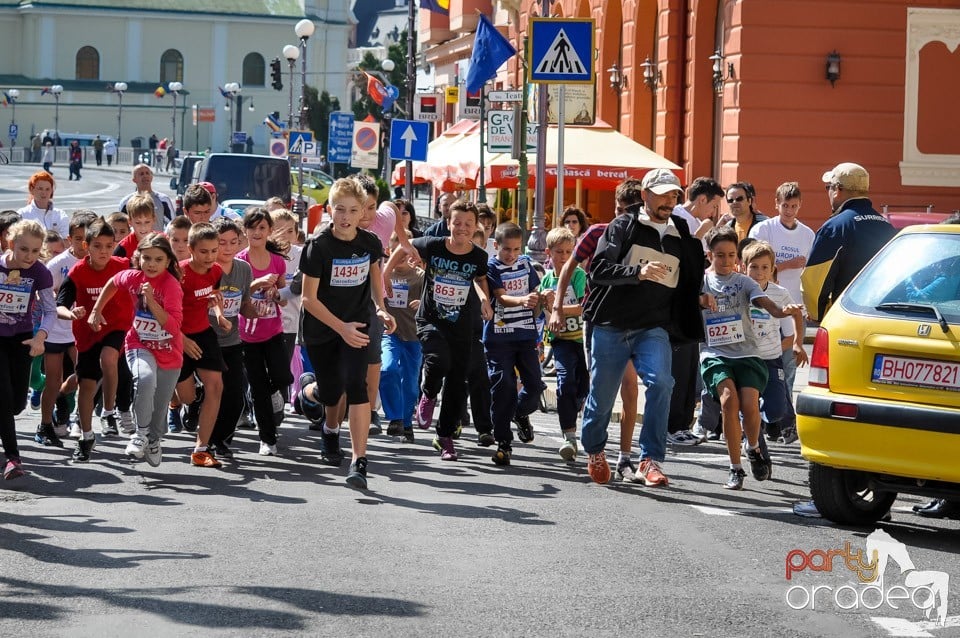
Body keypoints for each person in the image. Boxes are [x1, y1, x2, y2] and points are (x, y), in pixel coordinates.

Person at [579, 171, 704, 486]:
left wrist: (699, 295)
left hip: (654, 326)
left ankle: (650, 460)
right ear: (645, 194)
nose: (669, 201)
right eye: (662, 195)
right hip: (611, 325)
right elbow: (598, 269)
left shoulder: (682, 232)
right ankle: (594, 449)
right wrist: (638, 272)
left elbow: (687, 276)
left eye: (674, 195)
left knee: (662, 382)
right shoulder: (623, 226)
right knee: (602, 397)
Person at [296, 178, 396, 489]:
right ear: (329, 210)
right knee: (331, 392)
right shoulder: (318, 248)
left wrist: (381, 308)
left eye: (353, 210)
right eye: (340, 210)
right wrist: (341, 328)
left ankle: (358, 461)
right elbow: (307, 299)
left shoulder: (369, 243)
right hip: (323, 329)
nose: (346, 217)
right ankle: (319, 411)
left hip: (358, 324)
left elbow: (374, 277)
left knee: (357, 387)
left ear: (363, 212)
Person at [381, 200, 493, 461]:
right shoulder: (433, 245)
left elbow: (477, 279)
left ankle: (445, 438)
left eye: (468, 224)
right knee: (438, 360)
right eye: (457, 223)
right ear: (448, 223)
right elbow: (403, 249)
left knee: (457, 380)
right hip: (431, 318)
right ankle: (429, 393)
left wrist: (485, 299)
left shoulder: (479, 256)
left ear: (475, 226)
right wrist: (385, 275)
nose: (462, 228)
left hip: (462, 325)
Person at [547, 189, 642, 481]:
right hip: (602, 320)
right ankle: (595, 450)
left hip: (639, 320)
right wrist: (557, 308)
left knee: (632, 387)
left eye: (633, 209)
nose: (626, 215)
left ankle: (626, 457)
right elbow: (568, 268)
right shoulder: (599, 233)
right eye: (622, 208)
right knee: (601, 391)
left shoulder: (653, 234)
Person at [699, 226, 802, 490]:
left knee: (750, 406)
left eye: (731, 255)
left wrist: (781, 311)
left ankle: (754, 447)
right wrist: (700, 299)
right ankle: (736, 469)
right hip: (716, 353)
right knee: (728, 402)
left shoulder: (745, 282)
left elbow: (765, 303)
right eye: (720, 255)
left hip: (748, 354)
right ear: (710, 254)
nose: (726, 260)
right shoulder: (701, 282)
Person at [89, 233, 183, 468]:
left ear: (168, 262)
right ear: (138, 258)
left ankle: (153, 438)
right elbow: (113, 282)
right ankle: (139, 434)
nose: (151, 264)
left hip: (169, 351)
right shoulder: (132, 277)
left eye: (158, 259)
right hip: (139, 343)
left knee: (160, 408)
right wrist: (96, 310)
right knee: (145, 379)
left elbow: (172, 326)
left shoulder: (171, 286)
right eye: (146, 258)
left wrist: (151, 301)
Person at [56, 219, 134, 462]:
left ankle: (109, 412)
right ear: (86, 245)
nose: (103, 251)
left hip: (117, 325)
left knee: (109, 357)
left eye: (109, 246)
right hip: (88, 332)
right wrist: (72, 313)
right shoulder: (77, 272)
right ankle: (86, 436)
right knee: (86, 386)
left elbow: (148, 278)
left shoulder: (123, 265)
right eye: (98, 246)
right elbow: (60, 306)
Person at [748, 181, 815, 444]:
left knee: (787, 368)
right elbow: (752, 262)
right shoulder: (764, 229)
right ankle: (761, 419)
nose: (789, 210)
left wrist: (808, 304)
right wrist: (787, 264)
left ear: (800, 206)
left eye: (794, 206)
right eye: (785, 205)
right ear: (776, 204)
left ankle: (778, 423)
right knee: (759, 365)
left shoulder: (808, 234)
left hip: (792, 308)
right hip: (762, 304)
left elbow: (810, 273)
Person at [667, 177, 726, 446]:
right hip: (675, 308)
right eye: (713, 205)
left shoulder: (693, 223)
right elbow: (677, 259)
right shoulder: (677, 218)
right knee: (678, 369)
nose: (713, 213)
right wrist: (701, 233)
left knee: (690, 370)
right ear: (702, 200)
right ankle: (673, 425)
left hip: (692, 303)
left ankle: (682, 424)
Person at [801, 162, 896, 322]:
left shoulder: (835, 227)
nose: (829, 192)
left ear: (837, 190)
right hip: (883, 318)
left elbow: (814, 282)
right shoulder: (887, 226)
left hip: (848, 317)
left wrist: (818, 314)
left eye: (829, 187)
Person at [36, 212, 98, 448]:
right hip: (57, 330)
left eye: (87, 239)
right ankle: (45, 425)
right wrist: (60, 300)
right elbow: (45, 293)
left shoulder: (97, 263)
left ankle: (79, 421)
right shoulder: (58, 264)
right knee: (53, 380)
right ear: (69, 238)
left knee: (86, 376)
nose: (83, 245)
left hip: (82, 332)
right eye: (78, 238)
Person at [0, 220, 57, 479]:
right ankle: (13, 458)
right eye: (24, 250)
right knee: (3, 396)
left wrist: (40, 337)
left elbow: (49, 309)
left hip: (23, 340)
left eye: (35, 251)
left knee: (16, 405)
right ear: (11, 244)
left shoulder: (40, 273)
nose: (29, 256)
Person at [237, 208, 292, 456]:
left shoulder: (278, 261)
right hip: (247, 335)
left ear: (269, 230)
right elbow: (234, 295)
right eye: (252, 227)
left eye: (262, 228)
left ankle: (274, 392)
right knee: (258, 387)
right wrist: (256, 285)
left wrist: (275, 294)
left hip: (273, 331)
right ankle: (267, 440)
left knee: (283, 377)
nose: (257, 232)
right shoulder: (239, 261)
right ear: (245, 230)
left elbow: (282, 297)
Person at [742, 239, 806, 450]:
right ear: (744, 267)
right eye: (753, 267)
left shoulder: (780, 293)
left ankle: (760, 418)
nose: (759, 272)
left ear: (772, 270)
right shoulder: (738, 289)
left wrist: (797, 343)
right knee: (748, 406)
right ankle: (751, 438)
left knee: (777, 410)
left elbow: (795, 318)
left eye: (764, 267)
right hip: (745, 359)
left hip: (771, 359)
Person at [175, 223, 230, 467]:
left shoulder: (216, 270)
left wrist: (219, 313)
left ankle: (201, 449)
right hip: (176, 336)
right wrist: (181, 339)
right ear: (190, 249)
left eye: (213, 251)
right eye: (203, 252)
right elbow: (165, 314)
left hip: (204, 334)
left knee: (216, 387)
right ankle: (182, 402)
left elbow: (213, 295)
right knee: (188, 398)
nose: (209, 257)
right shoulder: (180, 274)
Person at [207, 218, 258, 459]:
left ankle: (221, 439)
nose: (227, 248)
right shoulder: (205, 268)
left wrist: (255, 310)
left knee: (236, 396)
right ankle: (206, 437)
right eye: (221, 243)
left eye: (233, 242)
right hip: (205, 339)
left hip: (232, 340)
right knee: (212, 392)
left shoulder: (243, 269)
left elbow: (244, 305)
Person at [539, 227, 588, 461]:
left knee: (583, 388)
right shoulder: (547, 279)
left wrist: (556, 308)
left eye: (569, 251)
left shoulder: (578, 275)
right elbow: (541, 312)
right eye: (559, 251)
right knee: (564, 383)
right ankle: (569, 436)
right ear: (549, 252)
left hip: (583, 340)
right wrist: (542, 305)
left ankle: (578, 405)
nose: (564, 256)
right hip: (561, 342)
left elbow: (581, 307)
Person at [379, 230, 424, 440]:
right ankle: (395, 417)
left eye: (405, 251)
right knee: (387, 369)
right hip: (390, 333)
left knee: (411, 383)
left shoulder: (420, 276)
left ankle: (406, 422)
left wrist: (422, 304)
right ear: (389, 250)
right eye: (396, 249)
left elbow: (433, 299)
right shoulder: (382, 274)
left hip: (414, 337)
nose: (401, 255)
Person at [118, 164, 175, 232]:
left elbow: (173, 225)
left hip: (157, 241)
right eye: (141, 174)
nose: (145, 176)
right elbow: (120, 227)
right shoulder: (126, 202)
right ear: (134, 179)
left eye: (147, 173)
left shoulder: (163, 199)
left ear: (151, 177)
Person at [18, 171, 70, 235]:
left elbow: (66, 240)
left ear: (51, 191)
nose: (44, 193)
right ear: (32, 189)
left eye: (47, 189)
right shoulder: (22, 214)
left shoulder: (60, 215)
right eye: (40, 189)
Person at [114, 193, 158, 262]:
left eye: (147, 222)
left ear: (154, 219)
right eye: (138, 222)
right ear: (130, 222)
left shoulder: (164, 241)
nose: (143, 227)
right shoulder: (123, 248)